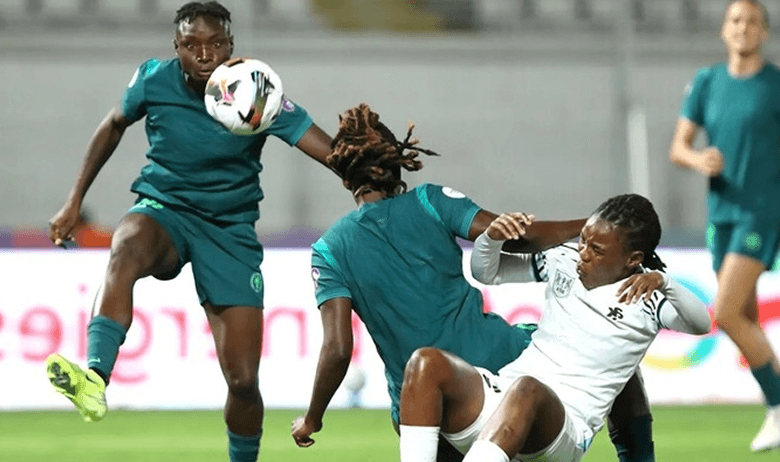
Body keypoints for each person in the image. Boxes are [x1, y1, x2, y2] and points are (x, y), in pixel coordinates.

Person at [44, 2, 333, 462]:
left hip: (229, 229)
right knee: (126, 245)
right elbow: (112, 125)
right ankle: (95, 379)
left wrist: (366, 169)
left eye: (215, 43)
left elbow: (325, 148)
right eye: (192, 45)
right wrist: (74, 200)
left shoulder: (255, 89)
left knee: (242, 381)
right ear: (175, 47)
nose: (205, 54)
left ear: (231, 46)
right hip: (166, 209)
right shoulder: (153, 80)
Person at [291, 103, 658, 462]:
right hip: (501, 363)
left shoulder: (330, 250)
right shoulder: (430, 201)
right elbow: (515, 235)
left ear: (344, 178)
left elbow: (339, 349)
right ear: (397, 161)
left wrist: (313, 419)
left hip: (426, 408)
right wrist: (600, 227)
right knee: (607, 355)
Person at [398, 193, 712, 462]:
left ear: (633, 259)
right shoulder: (562, 260)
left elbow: (700, 323)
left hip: (561, 428)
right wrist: (491, 239)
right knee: (426, 363)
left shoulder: (646, 297)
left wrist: (665, 282)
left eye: (597, 249)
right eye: (584, 240)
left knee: (527, 389)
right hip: (503, 402)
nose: (583, 254)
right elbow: (487, 273)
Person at [667, 0, 780, 452]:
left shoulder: (775, 86)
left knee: (727, 311)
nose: (743, 27)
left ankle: (777, 406)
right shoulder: (707, 82)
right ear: (723, 29)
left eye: (753, 21)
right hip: (722, 215)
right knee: (746, 318)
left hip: (762, 212)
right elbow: (679, 147)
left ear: (765, 34)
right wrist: (699, 158)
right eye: (735, 20)